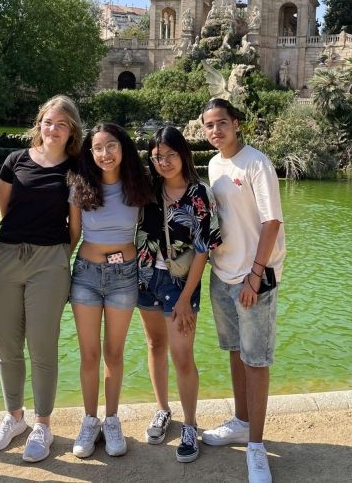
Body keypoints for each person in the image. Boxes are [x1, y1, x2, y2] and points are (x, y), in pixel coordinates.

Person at [0, 95, 82, 462]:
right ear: (38, 124)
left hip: (50, 261)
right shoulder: (14, 161)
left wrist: (55, 257)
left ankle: (43, 423)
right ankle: (13, 418)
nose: (52, 129)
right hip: (6, 256)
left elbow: (75, 226)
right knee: (7, 345)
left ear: (71, 130)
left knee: (43, 347)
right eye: (47, 121)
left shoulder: (76, 168)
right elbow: (4, 210)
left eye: (61, 123)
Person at [199, 98, 286, 483]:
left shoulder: (256, 162)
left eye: (221, 123)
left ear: (236, 123)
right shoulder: (214, 164)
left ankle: (256, 446)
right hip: (222, 275)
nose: (215, 131)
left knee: (256, 360)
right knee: (235, 353)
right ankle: (240, 420)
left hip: (255, 279)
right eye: (208, 126)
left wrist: (255, 274)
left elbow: (272, 223)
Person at [136, 126, 221, 463]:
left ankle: (190, 424)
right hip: (145, 279)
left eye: (170, 155)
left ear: (183, 154)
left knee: (183, 356)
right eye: (157, 157)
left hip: (180, 284)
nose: (164, 162)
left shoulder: (201, 193)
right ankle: (162, 410)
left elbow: (204, 248)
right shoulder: (147, 189)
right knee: (155, 346)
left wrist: (186, 296)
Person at [68, 123, 153, 459]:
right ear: (90, 152)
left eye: (112, 146)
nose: (105, 154)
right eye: (98, 148)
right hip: (86, 275)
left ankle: (112, 420)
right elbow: (73, 235)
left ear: (123, 148)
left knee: (114, 354)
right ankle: (90, 421)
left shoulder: (140, 185)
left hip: (124, 276)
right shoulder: (79, 186)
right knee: (89, 354)